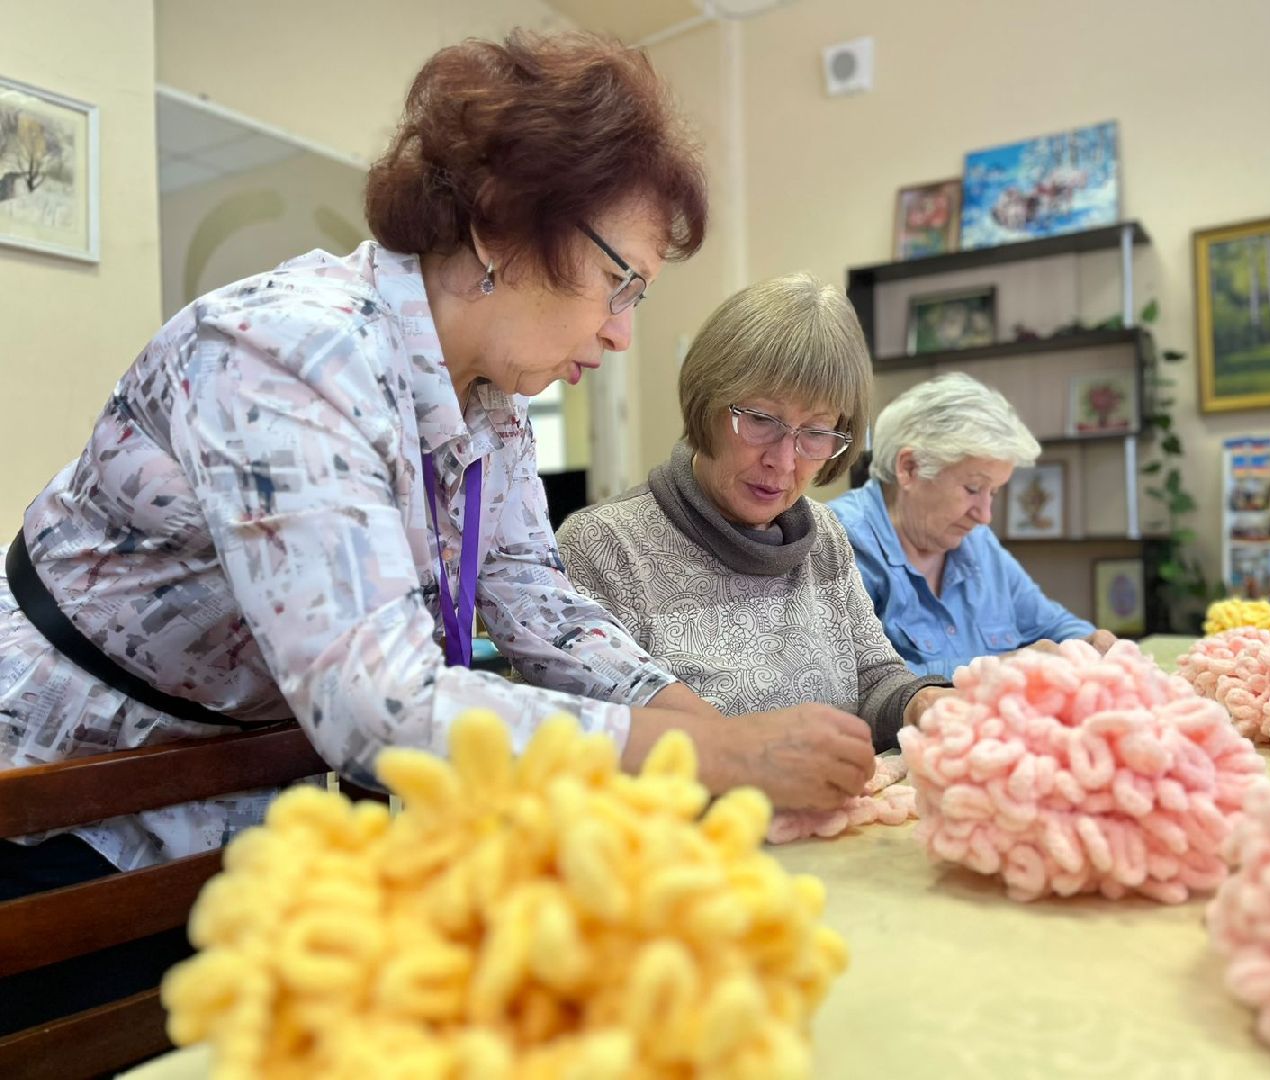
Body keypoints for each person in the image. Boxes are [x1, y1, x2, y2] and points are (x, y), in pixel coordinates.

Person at [0, 33, 870, 1032]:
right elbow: (381, 703)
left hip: (253, 788)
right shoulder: (288, 353)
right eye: (621, 282)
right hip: (61, 803)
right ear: (505, 226)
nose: (624, 332)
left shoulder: (486, 404)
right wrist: (717, 762)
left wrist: (707, 729)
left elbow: (533, 595)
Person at [556, 273, 953, 756]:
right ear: (707, 402)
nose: (783, 462)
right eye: (762, 420)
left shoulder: (822, 535)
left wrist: (922, 702)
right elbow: (603, 743)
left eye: (816, 433)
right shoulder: (603, 545)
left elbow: (873, 677)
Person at [831, 373, 1116, 677]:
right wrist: (999, 668)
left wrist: (1090, 642)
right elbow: (857, 684)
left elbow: (1052, 624)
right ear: (910, 468)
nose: (984, 516)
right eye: (972, 488)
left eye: (993, 492)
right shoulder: (839, 544)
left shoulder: (977, 543)